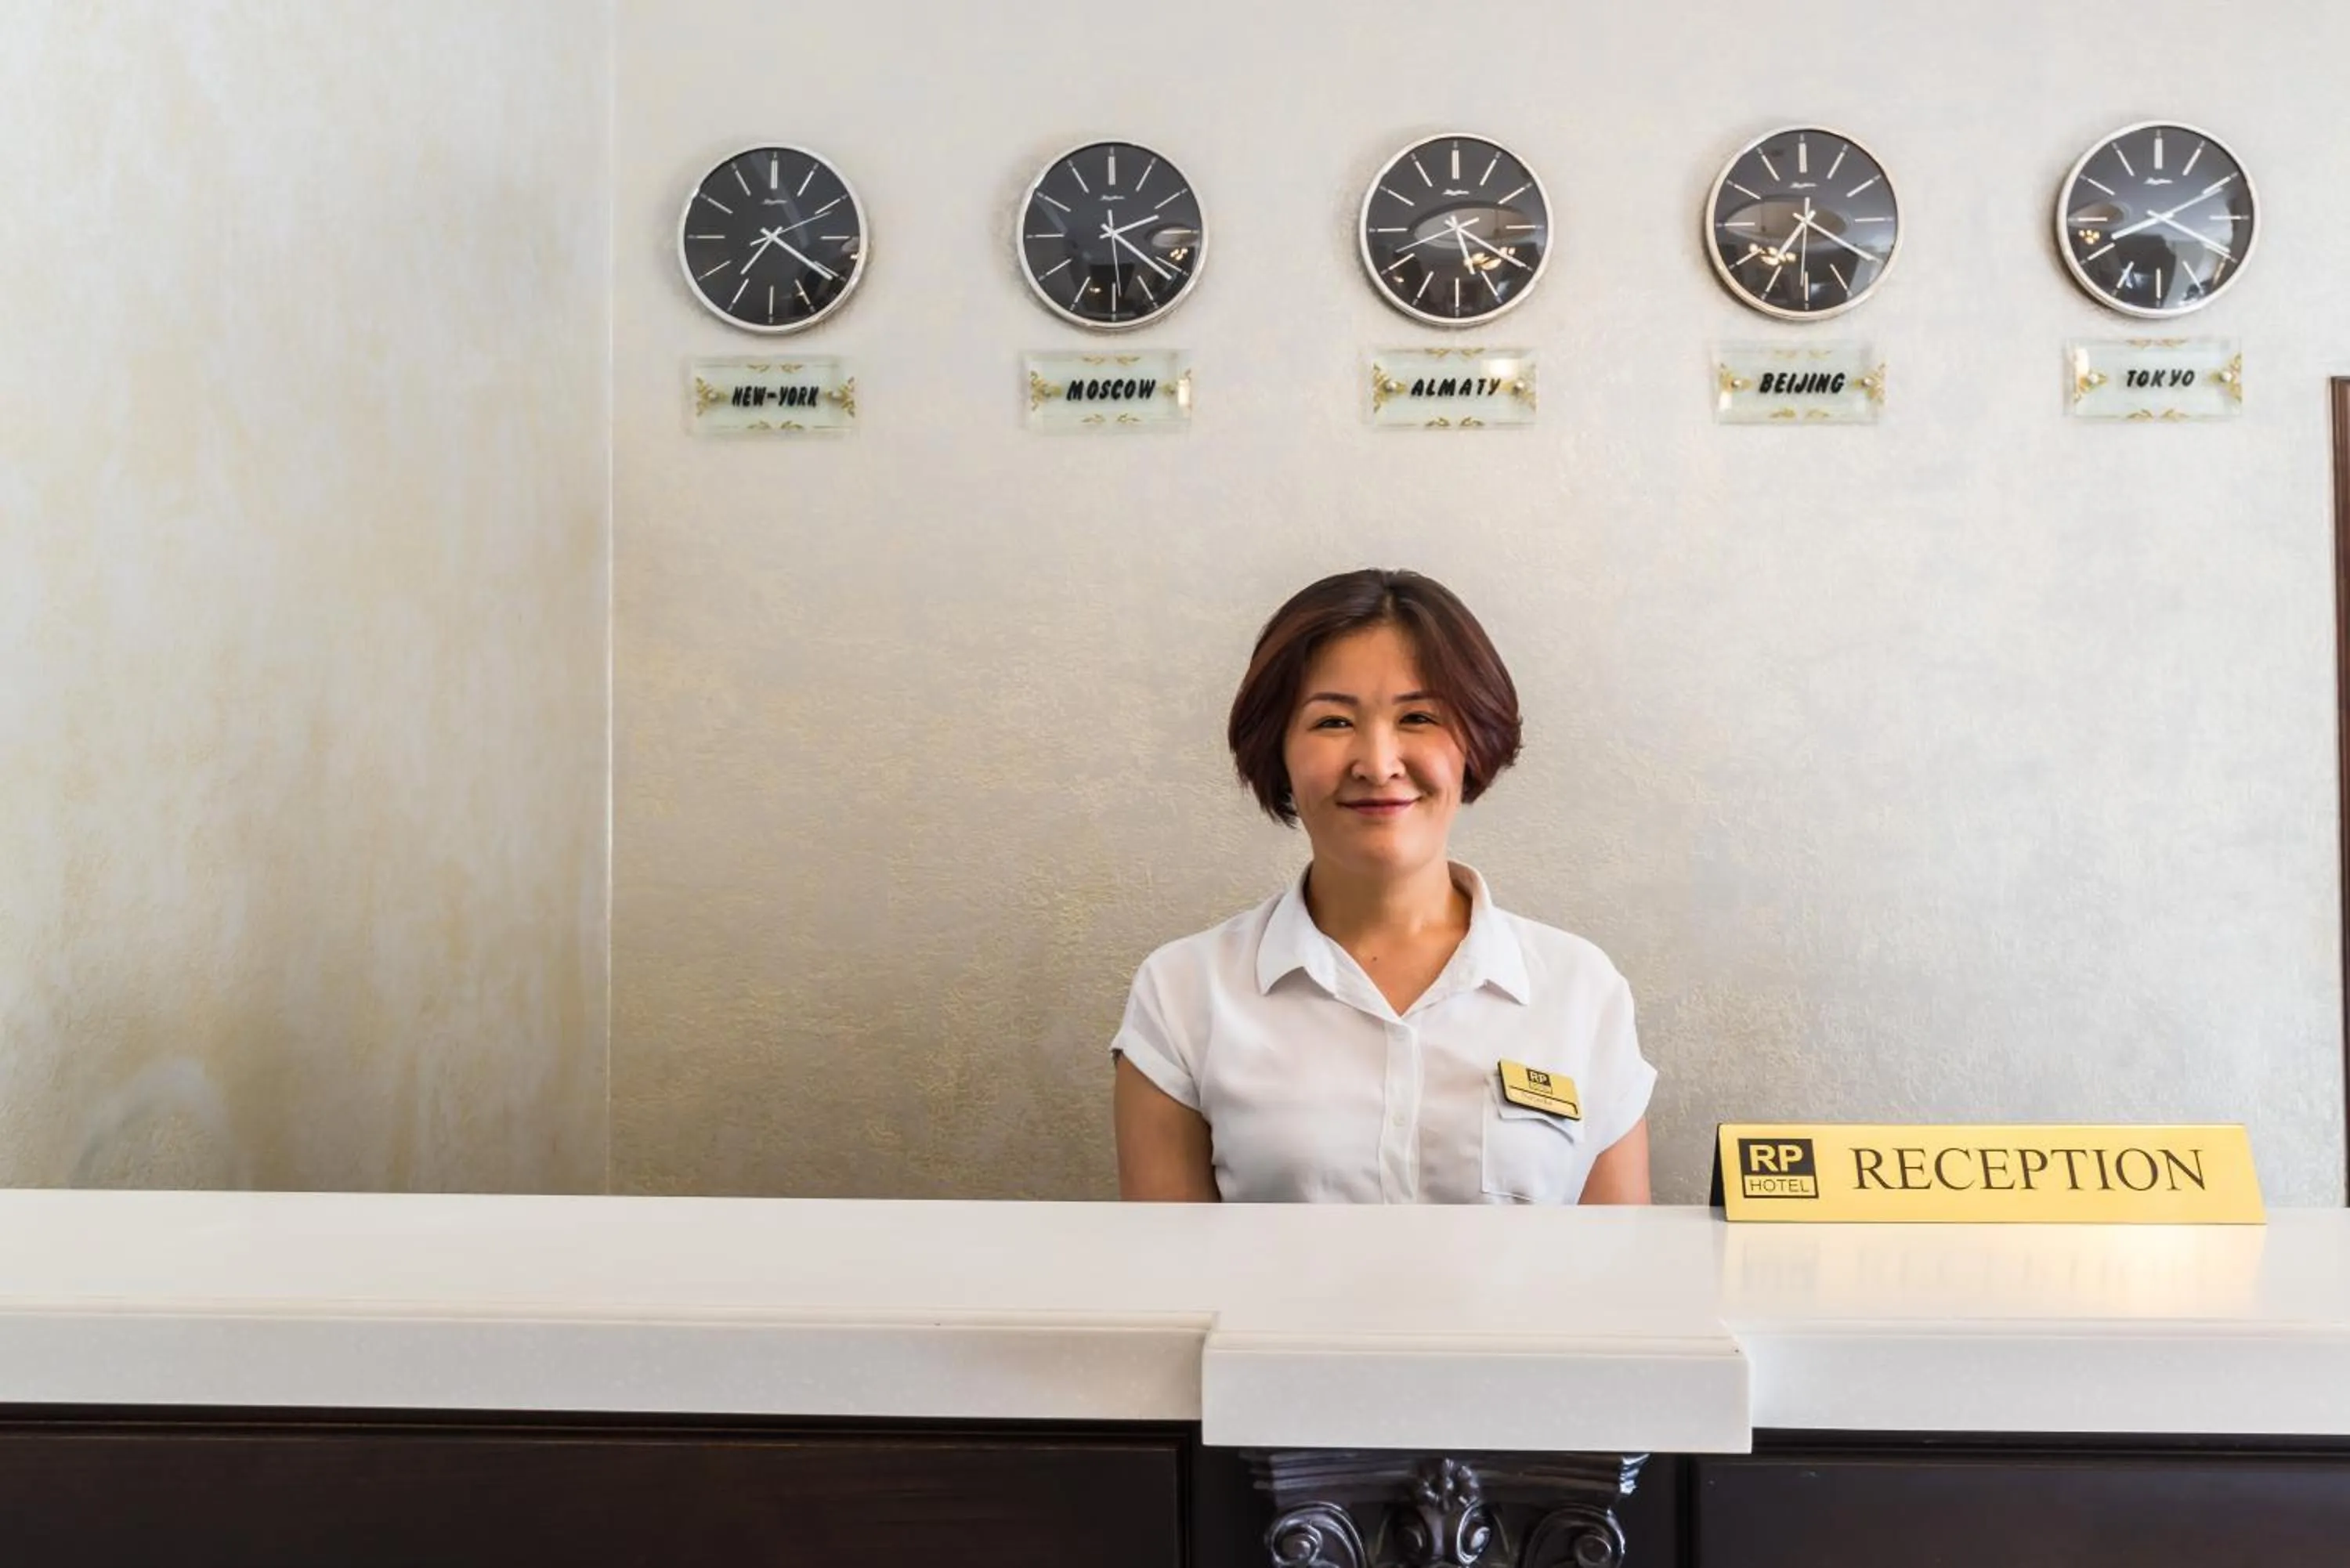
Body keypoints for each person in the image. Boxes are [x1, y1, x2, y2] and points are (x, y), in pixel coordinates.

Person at [1111, 569, 1654, 1204]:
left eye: (1419, 717)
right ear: (1278, 750)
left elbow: (1618, 1279)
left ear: (1474, 741)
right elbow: (1176, 1282)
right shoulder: (1182, 993)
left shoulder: (1581, 989)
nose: (1378, 762)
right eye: (1333, 723)